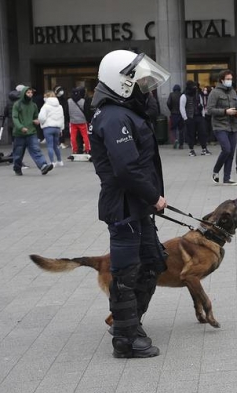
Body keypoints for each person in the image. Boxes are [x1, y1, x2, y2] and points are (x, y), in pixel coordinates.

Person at [89, 50, 170, 358]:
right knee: (126, 271)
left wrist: (150, 199)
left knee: (152, 261)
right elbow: (126, 169)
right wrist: (153, 196)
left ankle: (130, 321)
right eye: (137, 80)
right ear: (121, 82)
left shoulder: (125, 111)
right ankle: (125, 339)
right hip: (125, 205)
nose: (144, 86)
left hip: (139, 204)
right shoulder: (114, 116)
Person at [207, 70, 237, 185]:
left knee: (231, 152)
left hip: (233, 125)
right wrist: (225, 111)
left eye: (231, 79)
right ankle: (216, 171)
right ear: (222, 80)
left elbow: (236, 106)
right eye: (228, 79)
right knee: (226, 149)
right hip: (220, 125)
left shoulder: (233, 92)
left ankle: (227, 178)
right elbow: (210, 110)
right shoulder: (215, 92)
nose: (230, 81)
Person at [11, 86, 53, 176]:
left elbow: (35, 116)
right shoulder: (17, 104)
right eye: (28, 93)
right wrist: (21, 127)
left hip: (31, 132)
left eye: (31, 93)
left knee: (36, 150)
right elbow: (15, 117)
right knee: (18, 153)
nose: (30, 94)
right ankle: (17, 168)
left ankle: (43, 166)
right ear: (23, 93)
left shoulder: (33, 105)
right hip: (19, 134)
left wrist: (37, 121)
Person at [180, 81, 211, 156]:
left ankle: (204, 149)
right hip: (190, 117)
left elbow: (201, 105)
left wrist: (203, 115)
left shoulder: (198, 95)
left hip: (199, 116)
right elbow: (182, 107)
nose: (194, 88)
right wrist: (185, 118)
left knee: (202, 133)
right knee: (191, 134)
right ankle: (191, 150)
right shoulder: (184, 96)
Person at [38, 90, 65, 167]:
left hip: (48, 127)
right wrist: (61, 128)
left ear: (46, 97)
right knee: (56, 145)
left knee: (49, 145)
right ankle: (60, 161)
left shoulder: (45, 106)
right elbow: (62, 117)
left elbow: (42, 117)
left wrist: (42, 123)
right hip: (57, 128)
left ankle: (52, 162)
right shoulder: (60, 106)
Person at [68, 87, 91, 154]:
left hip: (72, 121)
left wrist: (68, 119)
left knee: (73, 136)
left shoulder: (69, 101)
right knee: (85, 136)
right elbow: (87, 112)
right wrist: (88, 120)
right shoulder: (83, 101)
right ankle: (87, 149)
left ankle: (74, 150)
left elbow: (66, 111)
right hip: (82, 121)